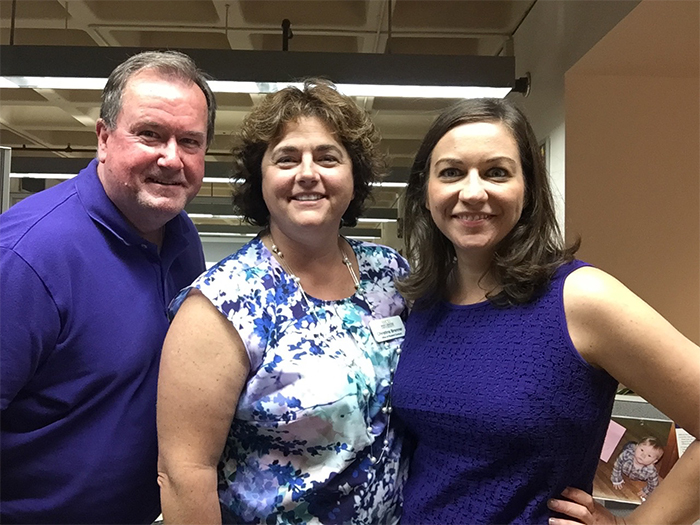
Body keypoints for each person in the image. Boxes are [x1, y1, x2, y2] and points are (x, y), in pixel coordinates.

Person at [392, 98, 700, 524]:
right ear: (426, 194)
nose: (473, 192)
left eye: (496, 172)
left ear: (529, 190)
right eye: (451, 172)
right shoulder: (424, 304)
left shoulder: (580, 297)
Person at [156, 79, 409, 524]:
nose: (307, 173)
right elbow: (184, 474)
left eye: (328, 158)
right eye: (287, 159)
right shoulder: (222, 303)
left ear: (354, 177)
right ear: (261, 180)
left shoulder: (389, 274)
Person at [0, 50, 216, 524]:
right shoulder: (28, 256)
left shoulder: (182, 239)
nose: (171, 158)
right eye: (150, 134)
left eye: (190, 141)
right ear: (103, 137)